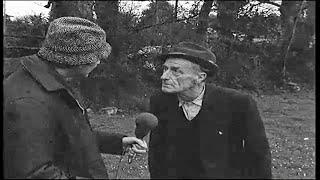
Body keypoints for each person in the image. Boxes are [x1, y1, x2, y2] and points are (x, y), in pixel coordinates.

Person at [4, 17, 147, 179]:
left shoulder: (48, 82)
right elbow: (35, 174)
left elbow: (67, 135)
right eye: (97, 56)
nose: (99, 62)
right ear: (78, 60)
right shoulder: (28, 102)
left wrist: (116, 142)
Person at [148, 42, 271, 179]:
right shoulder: (160, 101)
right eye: (165, 69)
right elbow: (156, 153)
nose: (164, 76)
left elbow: (258, 156)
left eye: (175, 71)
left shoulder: (238, 104)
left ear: (200, 77)